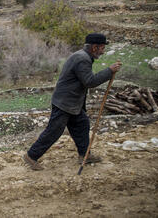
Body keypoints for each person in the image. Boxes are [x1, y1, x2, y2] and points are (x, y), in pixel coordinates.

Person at [23, 33, 122, 171]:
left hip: (72, 102)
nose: (103, 51)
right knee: (54, 131)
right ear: (94, 47)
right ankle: (31, 156)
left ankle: (84, 155)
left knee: (82, 125)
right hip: (65, 103)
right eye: (102, 48)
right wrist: (109, 71)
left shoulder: (83, 56)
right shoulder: (82, 59)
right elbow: (90, 81)